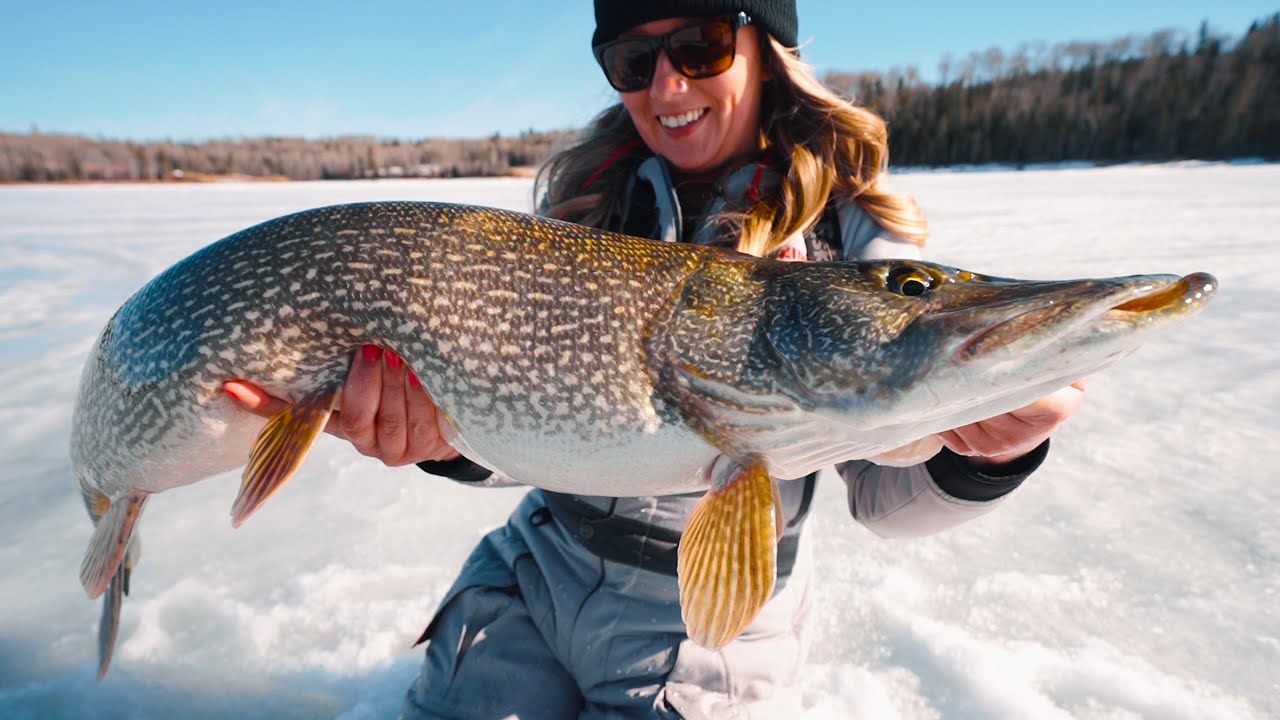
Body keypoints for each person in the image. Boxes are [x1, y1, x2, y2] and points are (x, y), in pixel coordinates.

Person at [225, 1, 1086, 716]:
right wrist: (444, 438)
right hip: (533, 574)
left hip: (706, 632)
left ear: (767, 45)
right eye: (631, 61)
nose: (667, 85)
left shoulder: (857, 240)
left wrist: (993, 455)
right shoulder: (586, 206)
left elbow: (886, 502)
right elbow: (533, 435)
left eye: (700, 43)